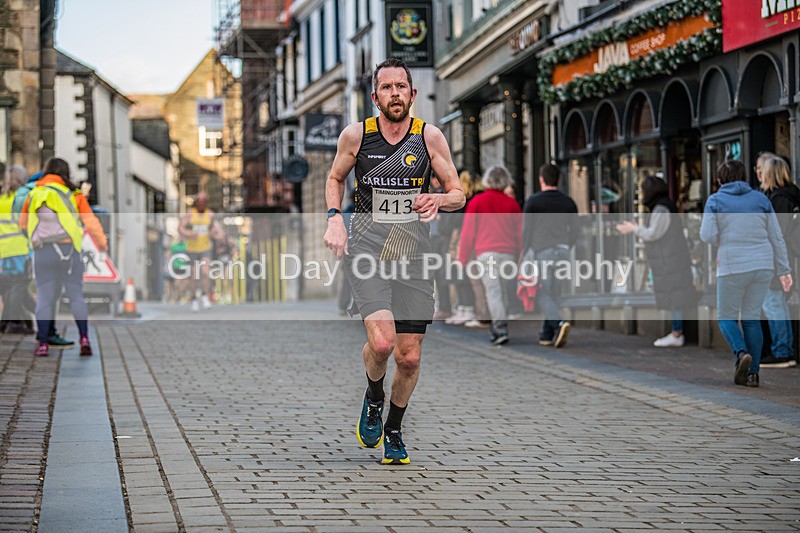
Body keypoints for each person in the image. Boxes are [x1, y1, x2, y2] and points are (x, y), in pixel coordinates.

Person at [323, 58, 465, 464]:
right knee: (382, 344)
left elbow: (458, 193)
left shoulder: (429, 137)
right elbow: (334, 179)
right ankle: (373, 397)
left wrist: (438, 198)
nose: (395, 94)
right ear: (375, 97)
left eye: (401, 87)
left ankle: (394, 429)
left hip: (414, 256)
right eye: (387, 88)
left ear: (412, 94)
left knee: (410, 355)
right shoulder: (356, 136)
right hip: (367, 251)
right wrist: (335, 220)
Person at [700, 160, 792, 387]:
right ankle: (753, 374)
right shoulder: (761, 199)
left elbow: (707, 236)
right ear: (744, 177)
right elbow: (776, 237)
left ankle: (741, 353)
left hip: (732, 266)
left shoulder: (716, 200)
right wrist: (784, 270)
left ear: (720, 180)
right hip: (763, 266)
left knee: (726, 316)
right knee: (752, 318)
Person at [18, 157, 108, 357]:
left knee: (44, 298)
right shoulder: (74, 195)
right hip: (69, 252)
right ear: (66, 173)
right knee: (76, 296)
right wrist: (102, 245)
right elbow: (91, 222)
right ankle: (84, 339)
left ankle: (42, 344)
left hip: (43, 252)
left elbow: (23, 224)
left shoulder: (35, 194)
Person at [616, 176, 697, 347]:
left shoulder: (661, 209)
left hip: (670, 261)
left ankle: (676, 333)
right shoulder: (665, 206)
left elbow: (653, 233)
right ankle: (677, 332)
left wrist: (635, 229)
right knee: (676, 295)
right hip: (671, 260)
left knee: (675, 296)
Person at [457, 166, 521, 345]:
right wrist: (519, 256)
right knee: (502, 292)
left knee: (493, 293)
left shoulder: (478, 202)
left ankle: (500, 328)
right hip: (508, 254)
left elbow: (468, 233)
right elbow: (519, 234)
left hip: (487, 255)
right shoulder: (512, 204)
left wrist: (462, 258)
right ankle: (498, 325)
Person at [12, 170, 73, 346]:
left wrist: (34, 239)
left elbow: (22, 223)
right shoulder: (59, 193)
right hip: (58, 249)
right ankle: (47, 334)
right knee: (51, 294)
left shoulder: (27, 193)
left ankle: (43, 335)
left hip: (34, 249)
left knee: (42, 294)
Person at [522, 163, 579, 347]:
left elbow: (527, 231)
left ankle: (558, 323)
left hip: (543, 252)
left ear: (541, 180)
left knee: (540, 292)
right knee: (554, 293)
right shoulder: (568, 202)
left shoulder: (533, 201)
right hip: (563, 251)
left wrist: (524, 252)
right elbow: (576, 230)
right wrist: (567, 246)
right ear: (559, 180)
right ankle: (546, 335)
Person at [757, 155, 799, 368]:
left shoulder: (779, 199)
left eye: (762, 170)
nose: (760, 174)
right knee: (773, 302)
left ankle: (783, 351)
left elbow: (777, 235)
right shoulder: (780, 197)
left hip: (777, 261)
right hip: (778, 259)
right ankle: (781, 349)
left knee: (774, 303)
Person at [0, 165, 34, 334]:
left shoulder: (1, 199)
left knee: (7, 286)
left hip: (3, 250)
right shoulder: (22, 198)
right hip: (19, 248)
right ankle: (14, 322)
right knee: (19, 284)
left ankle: (5, 322)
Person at [178, 192, 223, 312]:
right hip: (192, 249)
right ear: (196, 203)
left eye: (204, 201)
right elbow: (180, 227)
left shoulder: (210, 215)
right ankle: (193, 299)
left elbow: (217, 229)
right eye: (199, 201)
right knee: (193, 276)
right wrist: (189, 234)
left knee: (205, 272)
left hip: (205, 248)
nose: (201, 203)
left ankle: (204, 296)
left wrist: (214, 233)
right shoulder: (190, 213)